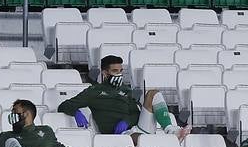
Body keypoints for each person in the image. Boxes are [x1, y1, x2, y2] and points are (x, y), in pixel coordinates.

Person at [57, 54, 189, 142]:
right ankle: (168, 141)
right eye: (115, 71)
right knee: (141, 139)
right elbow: (64, 105)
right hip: (119, 136)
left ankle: (171, 131)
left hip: (137, 127)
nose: (119, 74)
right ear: (105, 73)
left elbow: (135, 113)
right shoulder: (93, 92)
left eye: (120, 71)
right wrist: (76, 112)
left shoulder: (126, 89)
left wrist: (126, 120)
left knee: (153, 94)